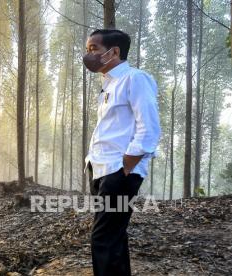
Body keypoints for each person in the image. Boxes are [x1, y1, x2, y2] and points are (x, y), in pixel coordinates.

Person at [82, 29, 161, 276]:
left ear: (114, 51)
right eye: (88, 49)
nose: (88, 55)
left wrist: (125, 166)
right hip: (101, 168)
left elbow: (149, 128)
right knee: (113, 237)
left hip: (118, 171)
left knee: (103, 239)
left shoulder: (135, 79)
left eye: (93, 49)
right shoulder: (109, 85)